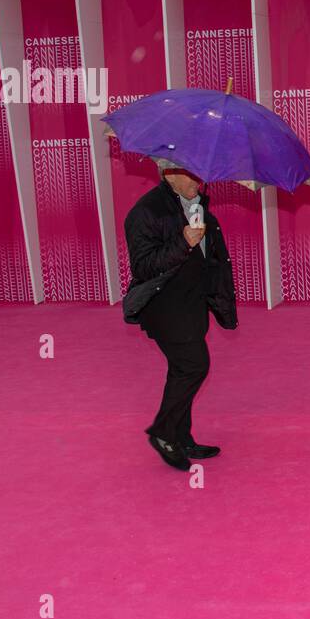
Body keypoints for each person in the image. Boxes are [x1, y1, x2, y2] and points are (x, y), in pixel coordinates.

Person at [122, 167, 238, 471]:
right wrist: (183, 241)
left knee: (181, 369)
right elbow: (144, 267)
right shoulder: (145, 212)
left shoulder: (197, 204)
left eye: (201, 177)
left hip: (192, 304)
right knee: (194, 366)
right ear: (167, 173)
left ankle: (181, 437)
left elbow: (206, 257)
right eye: (190, 177)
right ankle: (163, 431)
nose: (198, 183)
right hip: (165, 307)